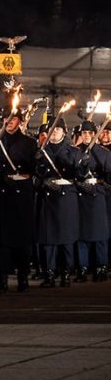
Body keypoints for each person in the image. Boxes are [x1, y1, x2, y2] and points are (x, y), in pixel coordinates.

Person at [0, 109, 37, 293]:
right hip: (2, 193)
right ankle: (2, 279)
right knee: (1, 240)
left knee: (22, 240)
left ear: (20, 121)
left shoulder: (29, 143)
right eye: (7, 118)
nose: (9, 121)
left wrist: (36, 161)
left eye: (13, 118)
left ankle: (23, 278)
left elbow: (35, 170)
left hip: (21, 195)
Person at [34, 118, 80, 288]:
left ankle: (65, 274)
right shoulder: (41, 151)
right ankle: (50, 274)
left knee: (66, 239)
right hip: (48, 199)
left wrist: (82, 165)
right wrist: (42, 177)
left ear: (64, 132)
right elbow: (35, 176)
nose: (54, 132)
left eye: (58, 129)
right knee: (49, 240)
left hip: (66, 198)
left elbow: (79, 175)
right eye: (51, 130)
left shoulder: (73, 151)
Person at [77, 120, 110, 281]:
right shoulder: (75, 151)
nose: (87, 135)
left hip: (98, 196)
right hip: (81, 197)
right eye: (84, 133)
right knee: (81, 234)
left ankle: (101, 267)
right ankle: (82, 267)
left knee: (99, 233)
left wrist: (99, 183)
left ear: (95, 134)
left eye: (90, 133)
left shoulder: (104, 153)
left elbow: (109, 176)